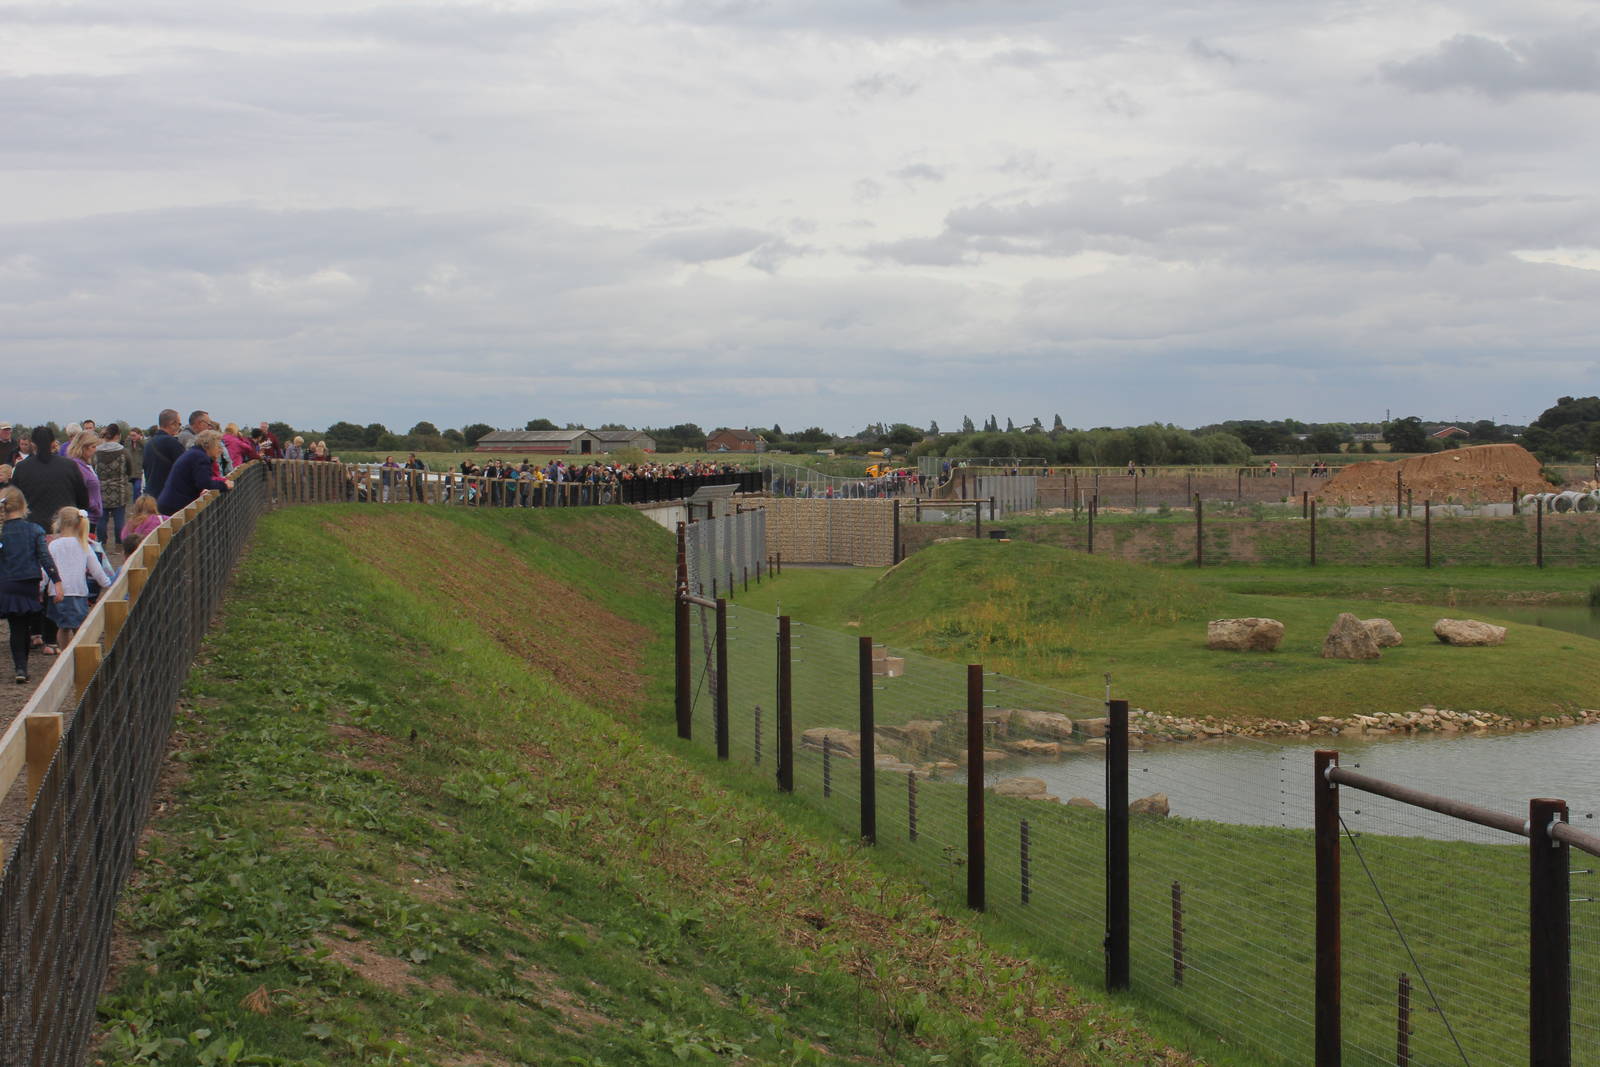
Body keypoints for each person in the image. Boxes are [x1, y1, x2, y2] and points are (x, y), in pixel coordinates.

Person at [0, 487, 63, 683]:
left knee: (14, 626)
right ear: (23, 505)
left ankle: (20, 667)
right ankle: (21, 667)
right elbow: (45, 558)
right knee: (22, 627)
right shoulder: (35, 530)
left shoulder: (2, 532)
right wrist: (57, 582)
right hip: (27, 583)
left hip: (6, 582)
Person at [46, 507, 113, 650]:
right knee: (79, 626)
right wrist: (107, 583)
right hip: (78, 591)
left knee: (63, 627)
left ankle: (65, 653)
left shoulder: (53, 545)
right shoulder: (84, 545)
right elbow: (96, 570)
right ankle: (79, 653)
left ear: (59, 523)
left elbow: (46, 569)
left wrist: (40, 587)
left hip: (58, 592)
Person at [9, 426, 88, 530]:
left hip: (33, 526)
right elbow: (83, 499)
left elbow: (14, 500)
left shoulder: (21, 468)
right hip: (65, 525)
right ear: (53, 442)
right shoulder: (69, 465)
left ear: (33, 444)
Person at [158, 430, 233, 514]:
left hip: (170, 502)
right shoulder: (200, 457)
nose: (221, 450)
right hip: (175, 505)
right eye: (218, 446)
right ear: (209, 445)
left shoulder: (195, 453)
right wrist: (224, 486)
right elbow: (204, 483)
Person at [93, 422, 133, 548]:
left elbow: (93, 469)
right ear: (118, 435)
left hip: (101, 490)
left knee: (101, 520)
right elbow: (130, 470)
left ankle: (102, 544)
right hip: (119, 491)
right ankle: (119, 544)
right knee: (119, 520)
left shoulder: (96, 452)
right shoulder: (124, 452)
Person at [143, 410, 187, 500]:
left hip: (150, 495)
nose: (180, 427)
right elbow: (185, 468)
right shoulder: (172, 443)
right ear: (172, 424)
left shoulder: (148, 443)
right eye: (179, 424)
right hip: (168, 496)